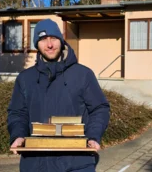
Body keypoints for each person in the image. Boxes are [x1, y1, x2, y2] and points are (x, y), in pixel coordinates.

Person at [7, 18, 110, 172]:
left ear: (61, 41)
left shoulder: (83, 74)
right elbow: (17, 113)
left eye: (54, 38)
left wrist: (93, 136)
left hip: (77, 164)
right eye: (43, 39)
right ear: (37, 44)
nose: (49, 44)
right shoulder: (25, 78)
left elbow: (99, 108)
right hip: (35, 164)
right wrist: (18, 135)